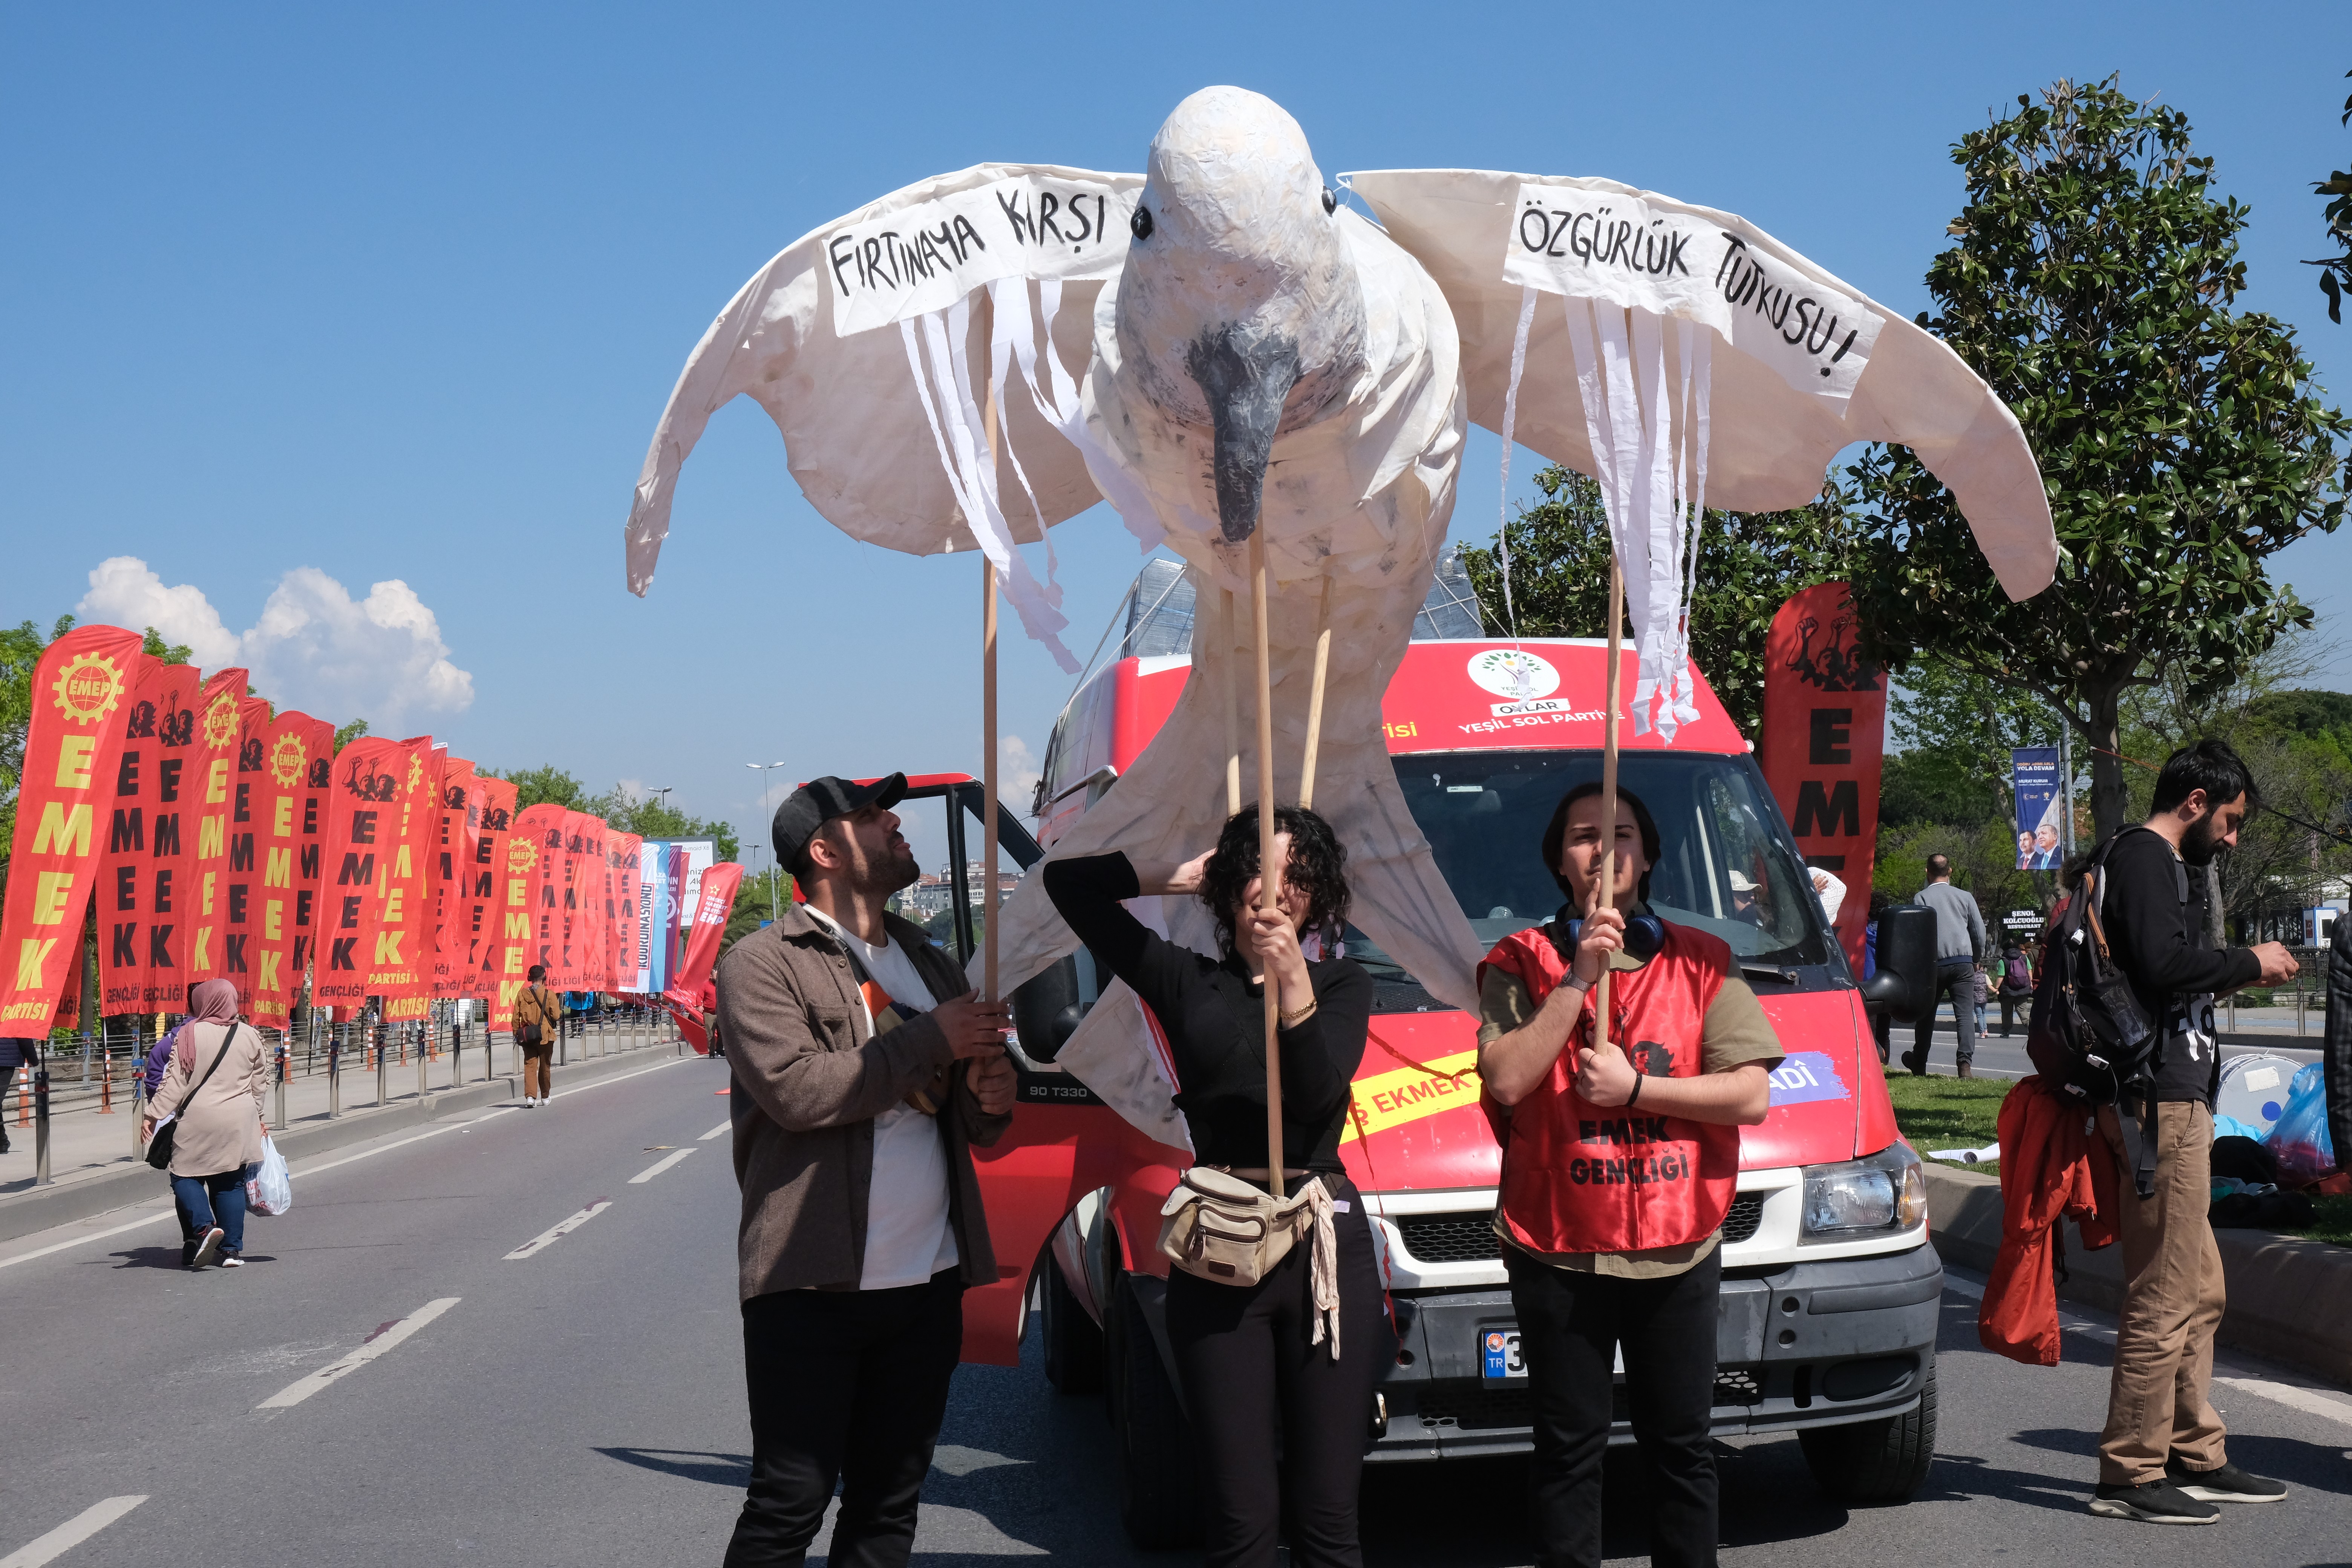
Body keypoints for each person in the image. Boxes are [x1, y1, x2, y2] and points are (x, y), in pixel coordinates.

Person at [1044, 803, 1389, 1568]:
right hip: (1221, 1247)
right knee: (1240, 1521)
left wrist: (1291, 976)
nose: (1281, 890)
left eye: (1301, 877)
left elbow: (1312, 1096)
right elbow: (1069, 885)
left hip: (1323, 1246)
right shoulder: (1180, 976)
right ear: (1233, 881)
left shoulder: (1344, 985)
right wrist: (1181, 871)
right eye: (1263, 871)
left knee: (1329, 1520)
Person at [715, 773, 1017, 1568]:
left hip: (929, 1280)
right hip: (812, 1281)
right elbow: (799, 1093)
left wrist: (991, 1092)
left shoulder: (931, 959)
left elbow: (977, 1121)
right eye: (871, 815)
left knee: (889, 1505)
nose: (893, 822)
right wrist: (934, 1041)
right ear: (824, 850)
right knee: (790, 1502)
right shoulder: (763, 962)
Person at [1476, 782, 1780, 1568]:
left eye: (1621, 834)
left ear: (1646, 855)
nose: (1603, 849)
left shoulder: (1706, 960)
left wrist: (1638, 1090)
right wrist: (1577, 976)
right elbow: (1507, 1081)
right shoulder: (1517, 961)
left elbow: (1750, 1094)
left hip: (1679, 1243)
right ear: (1559, 860)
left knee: (1683, 1448)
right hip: (1559, 1244)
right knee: (1568, 1453)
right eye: (1583, 835)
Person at [2088, 739, 2297, 1524]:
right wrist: (2249, 961)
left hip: (2175, 1102)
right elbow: (2163, 960)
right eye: (2233, 820)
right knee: (2166, 1293)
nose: (2234, 838)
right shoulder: (2145, 856)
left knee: (2200, 1286)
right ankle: (2129, 1472)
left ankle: (2192, 1452)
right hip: (2155, 1106)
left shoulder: (2161, 862)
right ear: (2199, 802)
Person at [141, 979, 268, 1271]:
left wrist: (152, 1114)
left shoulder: (189, 1034)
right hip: (239, 1120)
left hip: (199, 1120)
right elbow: (259, 1083)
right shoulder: (250, 1035)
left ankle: (204, 1226)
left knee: (184, 1176)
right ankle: (233, 1251)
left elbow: (175, 1082)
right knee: (231, 1183)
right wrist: (258, 1117)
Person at [1904, 854, 1985, 1078]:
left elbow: (1917, 935)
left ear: (1927, 872)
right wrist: (1975, 958)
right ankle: (1965, 1065)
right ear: (1950, 872)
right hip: (1963, 963)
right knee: (1965, 1015)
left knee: (1926, 1014)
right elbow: (1979, 932)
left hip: (1933, 964)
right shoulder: (1965, 896)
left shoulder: (1920, 898)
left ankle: (1919, 1062)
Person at [512, 965, 559, 1106]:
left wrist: (517, 1034)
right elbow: (556, 1015)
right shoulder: (549, 994)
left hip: (528, 1036)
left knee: (530, 1066)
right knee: (545, 1067)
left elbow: (516, 1017)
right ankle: (545, 1097)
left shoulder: (522, 994)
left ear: (529, 977)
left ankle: (530, 1098)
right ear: (544, 977)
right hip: (545, 1036)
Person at [1863, 891, 1894, 1064]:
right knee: (1885, 1031)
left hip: (1869, 984)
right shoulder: (1891, 934)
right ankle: (1885, 1062)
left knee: (1870, 1029)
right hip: (1889, 983)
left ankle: (1874, 1062)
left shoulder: (1862, 932)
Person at [0, 1036, 35, 1155]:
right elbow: (24, 1036)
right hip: (7, 1060)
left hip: (5, 1060)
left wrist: (32, 1058)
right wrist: (33, 1059)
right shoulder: (13, 1016)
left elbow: (23, 1036)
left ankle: (2, 1142)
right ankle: (2, 1142)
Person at [1996, 939, 2034, 1037]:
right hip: (2023, 989)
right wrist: (2031, 983)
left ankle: (2006, 1032)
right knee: (2022, 1010)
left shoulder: (2003, 960)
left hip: (2007, 991)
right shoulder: (2024, 957)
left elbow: (2001, 976)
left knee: (2007, 1013)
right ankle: (2031, 1029)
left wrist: (1996, 988)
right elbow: (2029, 971)